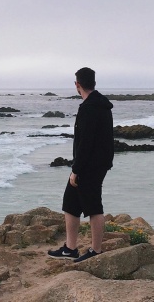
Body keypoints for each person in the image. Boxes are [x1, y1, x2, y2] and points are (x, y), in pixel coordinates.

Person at [48, 67, 114, 262]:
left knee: (94, 207)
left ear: (77, 84)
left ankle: (95, 251)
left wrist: (76, 170)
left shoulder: (89, 108)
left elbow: (85, 142)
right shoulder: (101, 104)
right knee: (70, 202)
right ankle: (70, 248)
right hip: (98, 162)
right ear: (93, 82)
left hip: (90, 166)